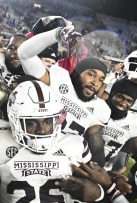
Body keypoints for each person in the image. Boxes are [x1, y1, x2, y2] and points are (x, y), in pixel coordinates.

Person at [0, 80, 105, 202]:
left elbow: (93, 187)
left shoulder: (76, 144)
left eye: (47, 121)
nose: (42, 130)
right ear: (14, 121)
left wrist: (97, 193)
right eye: (31, 122)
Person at [18, 20, 110, 166]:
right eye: (91, 74)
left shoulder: (101, 109)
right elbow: (24, 55)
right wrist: (56, 33)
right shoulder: (58, 77)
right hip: (31, 151)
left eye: (101, 79)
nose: (95, 82)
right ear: (78, 73)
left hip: (64, 163)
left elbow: (97, 149)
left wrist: (103, 174)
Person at [102, 78, 137, 171]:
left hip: (105, 172)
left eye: (129, 101)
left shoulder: (134, 121)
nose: (123, 103)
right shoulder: (98, 108)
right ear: (112, 93)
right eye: (120, 97)